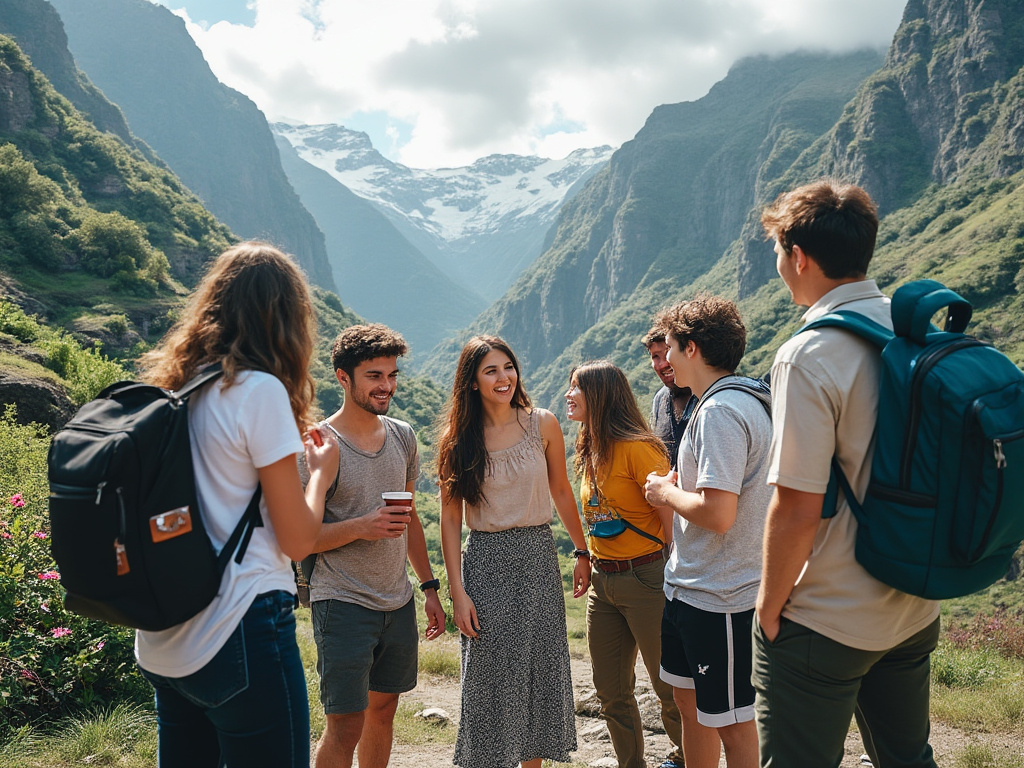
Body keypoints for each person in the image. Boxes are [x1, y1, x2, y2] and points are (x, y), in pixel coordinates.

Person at [754, 180, 940, 767]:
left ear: (799, 257)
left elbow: (797, 506)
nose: (780, 265)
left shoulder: (807, 356)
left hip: (827, 619)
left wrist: (768, 608)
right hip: (914, 601)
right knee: (909, 758)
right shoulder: (917, 328)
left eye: (779, 253)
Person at [135, 242, 339, 768]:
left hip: (165, 636)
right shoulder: (259, 392)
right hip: (239, 627)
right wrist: (319, 477)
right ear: (288, 319)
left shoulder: (172, 388)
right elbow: (297, 541)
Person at [436, 335, 590, 768]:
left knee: (538, 674)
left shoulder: (543, 424)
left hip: (538, 559)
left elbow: (561, 490)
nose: (503, 377)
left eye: (508, 366)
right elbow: (450, 519)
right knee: (488, 679)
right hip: (484, 563)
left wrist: (582, 552)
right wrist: (457, 591)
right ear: (472, 382)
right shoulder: (457, 440)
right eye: (491, 370)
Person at [305, 323, 446, 768]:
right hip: (341, 599)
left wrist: (428, 587)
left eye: (392, 375)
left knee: (383, 711)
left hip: (397, 600)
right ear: (343, 378)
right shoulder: (318, 445)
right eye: (374, 376)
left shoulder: (403, 435)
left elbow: (410, 523)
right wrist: (363, 525)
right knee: (345, 725)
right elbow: (298, 539)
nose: (386, 386)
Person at [643, 294, 772, 768]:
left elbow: (719, 513)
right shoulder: (728, 400)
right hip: (692, 589)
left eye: (671, 347)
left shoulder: (720, 412)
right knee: (690, 705)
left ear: (692, 348)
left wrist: (663, 493)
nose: (667, 358)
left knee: (734, 725)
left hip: (724, 596)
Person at [566, 360, 686, 768]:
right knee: (611, 691)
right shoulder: (590, 444)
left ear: (599, 396)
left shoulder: (639, 448)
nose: (569, 395)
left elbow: (671, 517)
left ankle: (687, 756)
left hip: (647, 577)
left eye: (576, 388)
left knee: (668, 687)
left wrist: (671, 576)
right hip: (604, 581)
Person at [642, 327, 696, 469]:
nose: (663, 364)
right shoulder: (660, 400)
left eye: (668, 353)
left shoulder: (708, 396)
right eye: (655, 357)